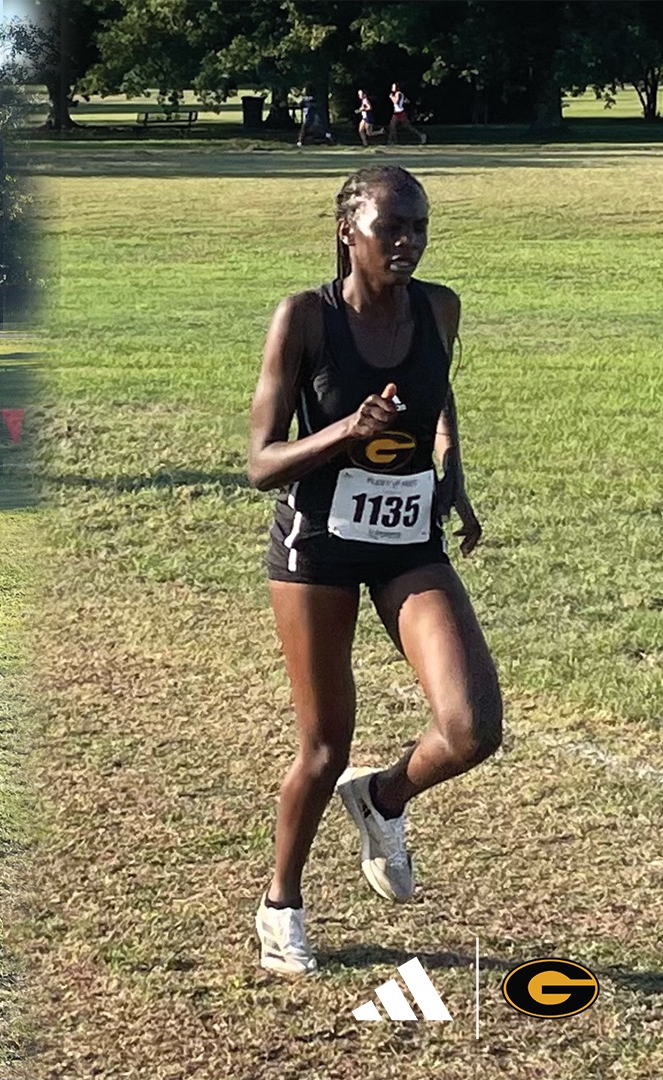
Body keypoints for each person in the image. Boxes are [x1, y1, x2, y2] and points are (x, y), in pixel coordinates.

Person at [245, 165, 497, 975]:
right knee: (323, 747)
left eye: (418, 226)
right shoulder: (305, 320)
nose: (408, 242)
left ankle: (384, 797)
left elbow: (438, 386)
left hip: (406, 539)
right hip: (317, 543)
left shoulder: (438, 307)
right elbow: (261, 464)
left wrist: (449, 463)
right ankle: (280, 903)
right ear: (348, 232)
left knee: (471, 727)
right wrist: (346, 433)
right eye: (391, 227)